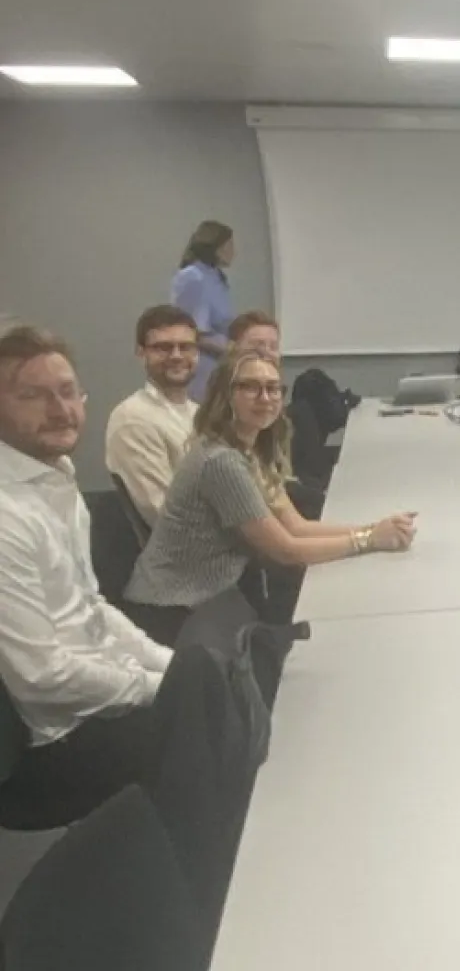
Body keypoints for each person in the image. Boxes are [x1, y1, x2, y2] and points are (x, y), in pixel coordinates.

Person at [0, 326, 178, 820]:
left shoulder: (56, 476)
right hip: (60, 742)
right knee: (224, 749)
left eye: (66, 392)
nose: (59, 410)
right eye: (32, 396)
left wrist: (171, 666)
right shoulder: (7, 515)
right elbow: (42, 677)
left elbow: (91, 608)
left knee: (228, 699)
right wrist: (154, 688)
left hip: (100, 699)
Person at [122, 349, 418, 645]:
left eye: (273, 388)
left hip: (206, 602)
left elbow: (297, 527)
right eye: (250, 387)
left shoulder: (250, 450)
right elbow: (286, 550)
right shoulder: (221, 462)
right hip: (170, 611)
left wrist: (374, 528)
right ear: (225, 395)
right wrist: (370, 540)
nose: (265, 397)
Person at [104, 305, 201, 528]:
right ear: (141, 353)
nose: (176, 356)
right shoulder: (133, 419)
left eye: (185, 347)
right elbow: (167, 517)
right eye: (163, 348)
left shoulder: (199, 414)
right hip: (187, 556)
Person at [170, 220, 235, 401]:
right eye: (228, 245)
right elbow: (190, 331)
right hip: (201, 370)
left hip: (219, 367)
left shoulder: (216, 278)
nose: (233, 252)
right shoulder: (192, 277)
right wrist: (233, 349)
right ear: (214, 246)